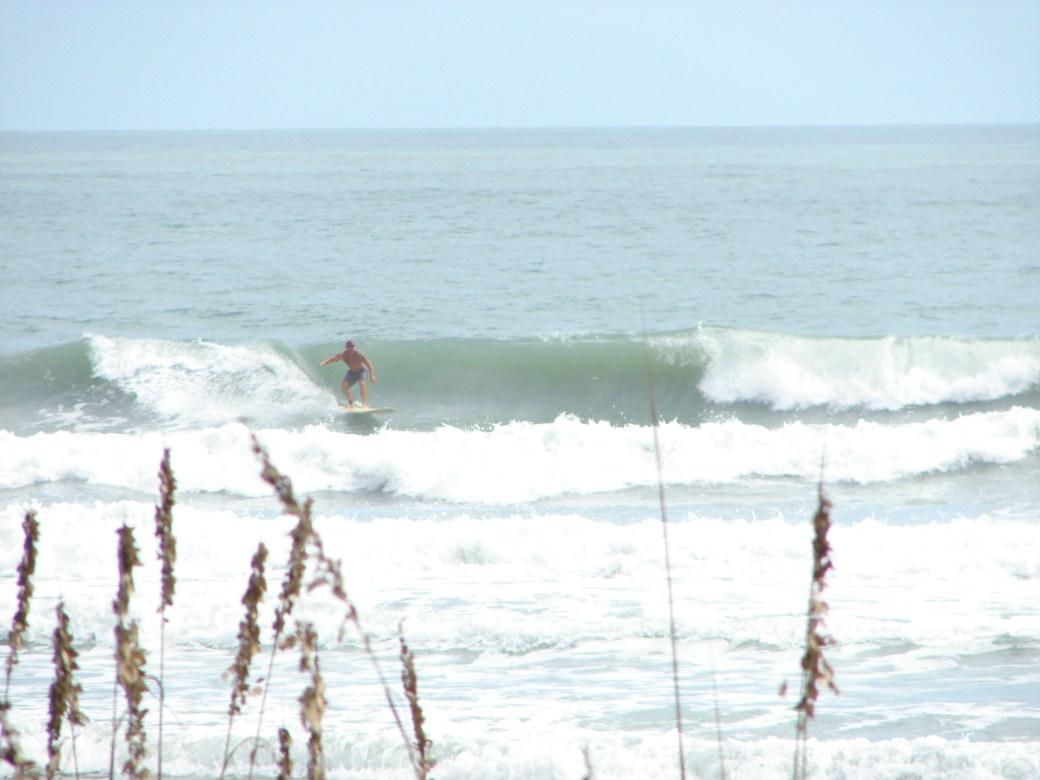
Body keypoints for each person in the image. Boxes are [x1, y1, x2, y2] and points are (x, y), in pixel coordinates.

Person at [319, 339, 377, 408]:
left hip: (362, 371)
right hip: (352, 372)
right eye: (350, 346)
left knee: (362, 383)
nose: (352, 348)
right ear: (346, 347)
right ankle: (351, 403)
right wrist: (324, 362)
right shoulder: (343, 355)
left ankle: (363, 404)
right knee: (343, 387)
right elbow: (332, 359)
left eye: (353, 346)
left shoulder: (358, 354)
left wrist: (372, 375)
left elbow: (369, 364)